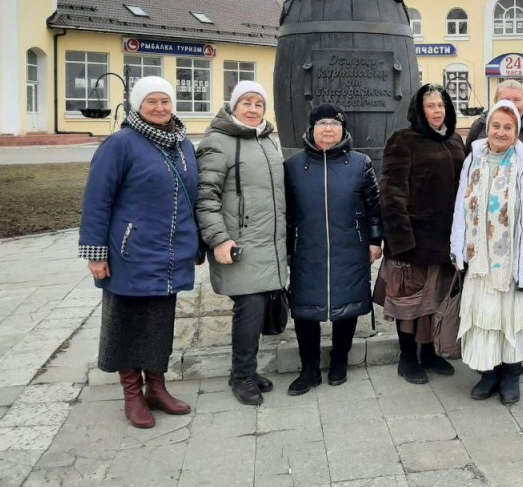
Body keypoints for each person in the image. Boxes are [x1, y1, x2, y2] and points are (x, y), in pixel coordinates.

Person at [78, 76, 199, 429]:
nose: (160, 108)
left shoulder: (182, 144)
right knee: (126, 323)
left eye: (165, 101)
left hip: (171, 253)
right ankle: (132, 393)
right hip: (129, 252)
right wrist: (96, 253)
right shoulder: (121, 144)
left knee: (160, 322)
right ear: (137, 105)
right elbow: (97, 200)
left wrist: (196, 244)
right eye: (152, 102)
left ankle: (157, 388)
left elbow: (193, 198)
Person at [451, 100, 523, 405]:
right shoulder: (473, 160)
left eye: (508, 127)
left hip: (513, 261)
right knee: (485, 318)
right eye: (496, 125)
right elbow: (461, 207)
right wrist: (458, 249)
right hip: (480, 261)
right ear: (487, 127)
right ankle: (489, 374)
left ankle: (510, 375)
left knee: (511, 318)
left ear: (517, 132)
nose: (501, 131)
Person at [196, 80, 287, 407]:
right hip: (240, 244)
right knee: (249, 310)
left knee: (258, 307)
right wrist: (218, 239)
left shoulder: (266, 141)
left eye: (258, 103)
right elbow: (206, 198)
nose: (252, 109)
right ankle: (242, 376)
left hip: (269, 243)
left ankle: (246, 370)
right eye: (246, 102)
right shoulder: (217, 142)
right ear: (233, 106)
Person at [284, 104, 383, 395]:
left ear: (343, 130)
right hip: (307, 248)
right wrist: (287, 247)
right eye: (322, 123)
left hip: (349, 247)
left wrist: (375, 241)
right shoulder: (293, 166)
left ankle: (339, 359)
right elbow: (287, 213)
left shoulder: (359, 163)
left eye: (335, 124)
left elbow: (373, 208)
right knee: (305, 309)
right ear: (311, 129)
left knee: (346, 306)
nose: (328, 129)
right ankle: (309, 369)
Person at [377, 84, 467, 384]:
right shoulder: (403, 141)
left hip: (445, 241)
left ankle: (429, 353)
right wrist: (401, 240)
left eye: (442, 105)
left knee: (436, 300)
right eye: (431, 106)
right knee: (409, 302)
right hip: (413, 240)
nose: (438, 111)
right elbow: (392, 192)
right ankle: (407, 357)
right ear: (419, 110)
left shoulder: (455, 140)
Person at [465, 79, 523, 202]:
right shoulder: (480, 126)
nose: (511, 104)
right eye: (505, 99)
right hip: (483, 205)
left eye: (517, 99)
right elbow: (467, 168)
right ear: (495, 102)